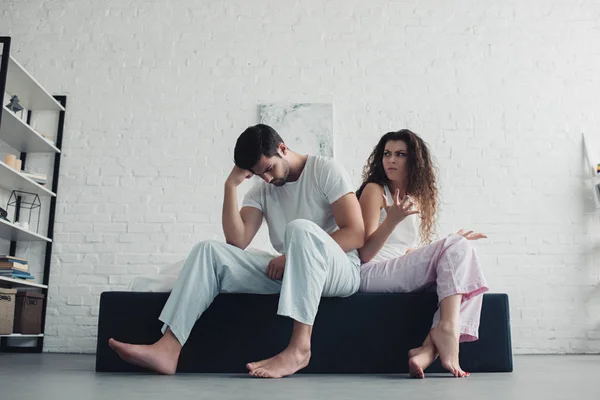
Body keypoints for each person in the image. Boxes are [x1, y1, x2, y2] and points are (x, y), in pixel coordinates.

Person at [109, 124, 365, 378]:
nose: (267, 178)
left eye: (268, 169)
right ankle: (168, 349)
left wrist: (292, 257)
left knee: (299, 229)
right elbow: (236, 242)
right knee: (208, 251)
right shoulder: (264, 188)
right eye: (258, 174)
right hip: (294, 273)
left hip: (339, 269)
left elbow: (356, 233)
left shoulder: (325, 170)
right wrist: (230, 186)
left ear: (283, 149)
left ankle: (299, 349)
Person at [356, 129, 488, 379]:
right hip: (371, 272)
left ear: (414, 160)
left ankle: (427, 350)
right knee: (458, 249)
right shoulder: (375, 190)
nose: (391, 160)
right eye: (386, 154)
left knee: (465, 266)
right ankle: (447, 329)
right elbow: (364, 253)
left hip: (395, 269)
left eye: (400, 154)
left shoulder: (415, 197)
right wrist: (391, 221)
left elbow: (406, 251)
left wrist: (452, 248)